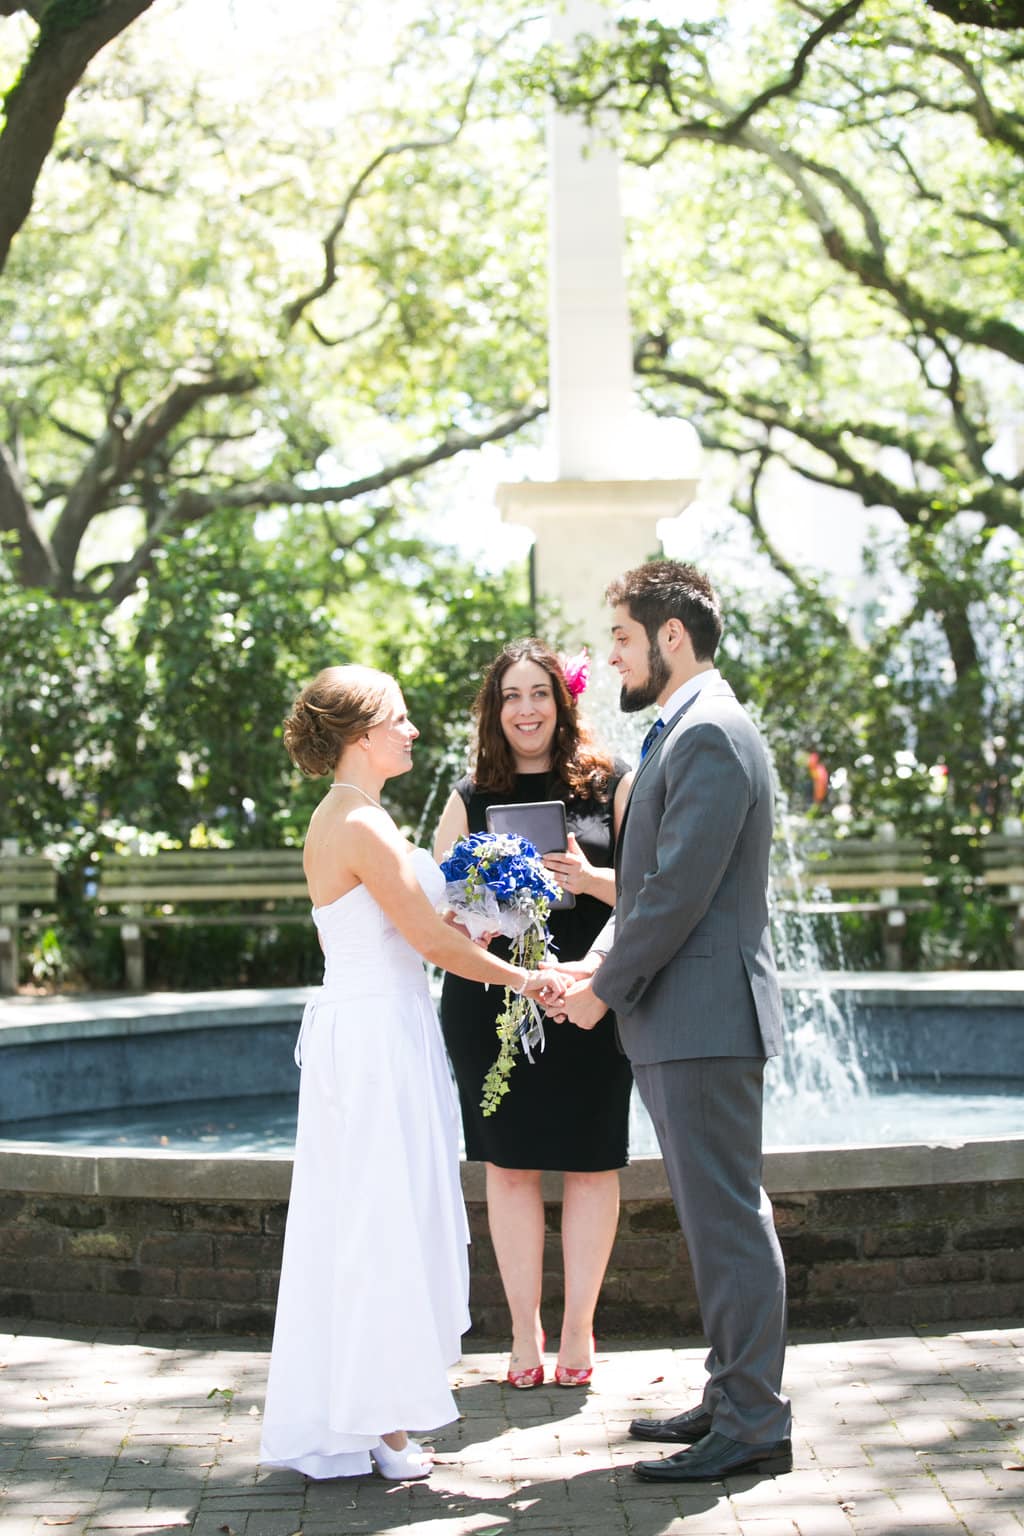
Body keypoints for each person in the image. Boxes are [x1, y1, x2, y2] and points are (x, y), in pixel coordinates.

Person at [260, 664, 566, 1482]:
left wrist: (489, 916)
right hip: (371, 1036)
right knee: (377, 1220)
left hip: (383, 1025)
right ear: (362, 735)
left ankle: (367, 1413)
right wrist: (524, 978)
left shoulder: (358, 815)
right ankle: (381, 1427)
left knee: (371, 1215)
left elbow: (420, 926)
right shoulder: (356, 824)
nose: (413, 730)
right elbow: (430, 944)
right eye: (399, 719)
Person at [552, 561, 792, 1483]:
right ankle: (734, 1395)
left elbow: (679, 895)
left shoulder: (710, 735)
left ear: (671, 637)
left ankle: (755, 1423)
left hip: (702, 1018)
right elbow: (655, 887)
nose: (610, 654)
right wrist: (593, 962)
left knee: (728, 1221)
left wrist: (601, 988)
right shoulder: (686, 731)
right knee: (715, 1218)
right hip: (687, 1018)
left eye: (620, 636)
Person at [433, 638, 633, 1389]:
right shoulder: (468, 796)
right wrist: (488, 924)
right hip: (490, 1004)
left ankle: (579, 1328)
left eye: (539, 694)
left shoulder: (610, 783)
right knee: (509, 1168)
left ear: (563, 701)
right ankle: (524, 1334)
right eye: (512, 695)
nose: (526, 709)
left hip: (592, 1000)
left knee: (590, 1164)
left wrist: (588, 877)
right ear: (495, 708)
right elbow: (439, 914)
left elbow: (654, 891)